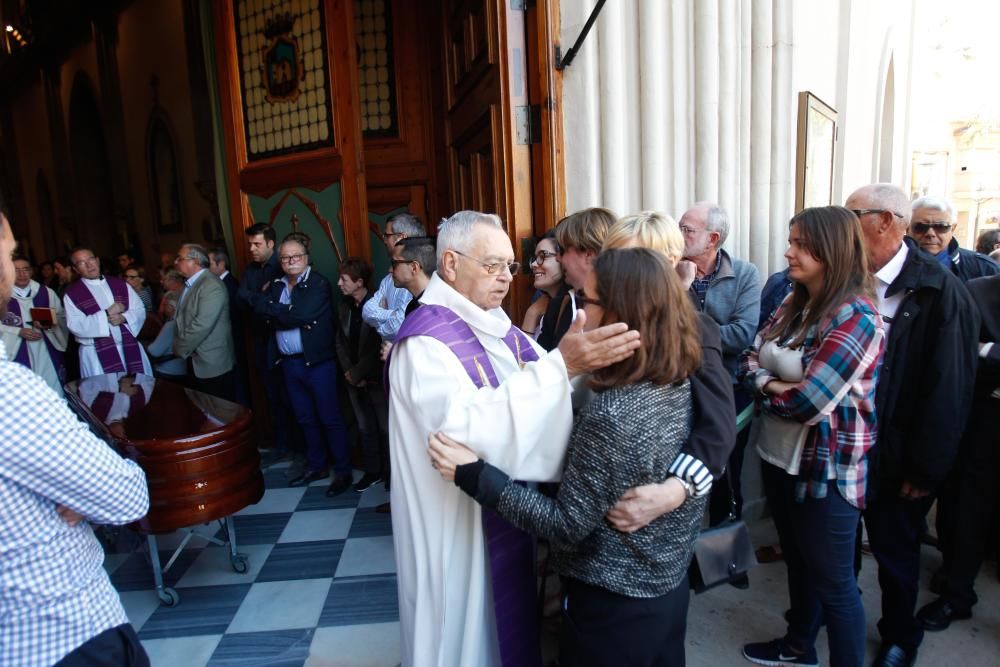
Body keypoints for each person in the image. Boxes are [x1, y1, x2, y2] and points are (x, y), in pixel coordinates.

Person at [386, 210, 641, 667]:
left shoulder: (494, 323)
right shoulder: (425, 342)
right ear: (449, 263)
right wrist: (564, 367)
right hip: (452, 522)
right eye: (492, 265)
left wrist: (602, 373)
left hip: (497, 506)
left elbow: (547, 379)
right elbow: (464, 433)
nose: (506, 278)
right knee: (460, 630)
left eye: (510, 266)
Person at [429, 248, 706, 666]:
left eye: (588, 301)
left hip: (614, 603)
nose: (580, 313)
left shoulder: (615, 412)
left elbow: (565, 524)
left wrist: (473, 473)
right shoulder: (670, 375)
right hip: (664, 584)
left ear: (620, 313)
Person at [0, 193, 151, 667]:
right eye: (8, 254)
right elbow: (124, 494)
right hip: (61, 633)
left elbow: (136, 315)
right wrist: (73, 491)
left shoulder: (105, 287)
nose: (15, 267)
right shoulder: (13, 395)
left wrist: (121, 319)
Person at [739, 206, 885, 667]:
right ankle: (799, 645)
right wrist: (773, 383)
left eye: (801, 244)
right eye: (792, 240)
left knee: (835, 585)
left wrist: (768, 383)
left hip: (827, 472)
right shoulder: (792, 302)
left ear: (832, 250)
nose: (789, 251)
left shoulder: (857, 317)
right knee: (799, 566)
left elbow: (808, 403)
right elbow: (748, 359)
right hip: (781, 459)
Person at [844, 183, 979, 667]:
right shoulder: (843, 277)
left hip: (897, 458)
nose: (842, 223)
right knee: (839, 552)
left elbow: (949, 391)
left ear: (884, 222)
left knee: (896, 558)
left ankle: (901, 637)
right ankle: (827, 621)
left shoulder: (941, 291)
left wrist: (924, 471)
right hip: (840, 449)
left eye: (851, 213)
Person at [917, 272, 1000, 631]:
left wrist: (990, 351)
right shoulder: (979, 292)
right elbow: (960, 358)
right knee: (965, 508)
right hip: (985, 421)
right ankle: (956, 594)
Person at [261, 235, 352, 495]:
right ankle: (317, 466)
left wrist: (280, 314)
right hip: (289, 364)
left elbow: (302, 315)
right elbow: (267, 315)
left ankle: (343, 472)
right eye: (286, 258)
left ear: (306, 258)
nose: (290, 262)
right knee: (305, 418)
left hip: (317, 364)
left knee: (330, 418)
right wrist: (283, 315)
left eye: (296, 257)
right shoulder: (277, 285)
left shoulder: (318, 283)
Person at [238, 223, 297, 458]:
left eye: (257, 244)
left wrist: (260, 299)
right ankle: (284, 445)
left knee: (292, 396)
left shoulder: (282, 267)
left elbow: (280, 308)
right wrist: (261, 297)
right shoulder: (250, 270)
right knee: (272, 396)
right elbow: (240, 299)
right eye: (250, 243)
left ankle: (300, 447)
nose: (251, 248)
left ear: (271, 244)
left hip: (283, 339)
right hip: (261, 342)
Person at [335, 257, 387, 492]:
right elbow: (339, 342)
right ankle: (373, 472)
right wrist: (349, 372)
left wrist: (359, 372)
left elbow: (379, 344)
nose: (339, 283)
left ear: (359, 282)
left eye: (344, 279)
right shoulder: (344, 307)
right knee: (364, 427)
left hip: (375, 377)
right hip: (352, 380)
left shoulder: (378, 304)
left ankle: (391, 475)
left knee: (386, 428)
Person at [64, 247, 152, 378]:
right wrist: (105, 314)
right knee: (105, 395)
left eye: (91, 259)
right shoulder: (73, 294)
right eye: (81, 263)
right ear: (76, 269)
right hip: (96, 355)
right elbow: (75, 325)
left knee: (138, 390)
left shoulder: (120, 285)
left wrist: (124, 317)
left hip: (128, 347)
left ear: (98, 261)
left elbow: (139, 309)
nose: (89, 265)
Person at [173, 243, 236, 400]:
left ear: (194, 262)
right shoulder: (190, 284)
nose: (175, 262)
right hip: (195, 360)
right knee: (203, 412)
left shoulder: (210, 285)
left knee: (219, 413)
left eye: (180, 258)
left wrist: (179, 348)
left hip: (211, 363)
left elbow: (201, 325)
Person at [0, 257, 69, 394]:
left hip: (46, 349)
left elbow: (63, 318)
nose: (22, 274)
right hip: (16, 352)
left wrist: (48, 324)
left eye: (26, 269)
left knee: (53, 392)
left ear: (31, 271)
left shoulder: (46, 293)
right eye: (16, 270)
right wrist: (17, 332)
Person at [362, 212, 426, 342]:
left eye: (387, 235)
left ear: (401, 237)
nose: (384, 240)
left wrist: (381, 326)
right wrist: (392, 314)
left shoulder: (419, 276)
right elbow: (367, 310)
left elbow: (399, 327)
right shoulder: (388, 280)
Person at [908, 196, 998, 282]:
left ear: (953, 229)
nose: (930, 233)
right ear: (907, 228)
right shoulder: (895, 265)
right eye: (920, 227)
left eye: (941, 226)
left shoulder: (985, 269)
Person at [209, 246, 250, 406]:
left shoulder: (229, 285)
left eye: (210, 264)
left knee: (237, 386)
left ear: (221, 264)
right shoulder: (221, 284)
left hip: (233, 341)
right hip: (229, 342)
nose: (206, 268)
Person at [521, 229, 571, 349]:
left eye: (543, 256)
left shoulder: (573, 307)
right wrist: (532, 314)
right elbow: (524, 362)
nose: (533, 264)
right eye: (535, 257)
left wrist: (531, 315)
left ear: (562, 259)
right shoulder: (541, 303)